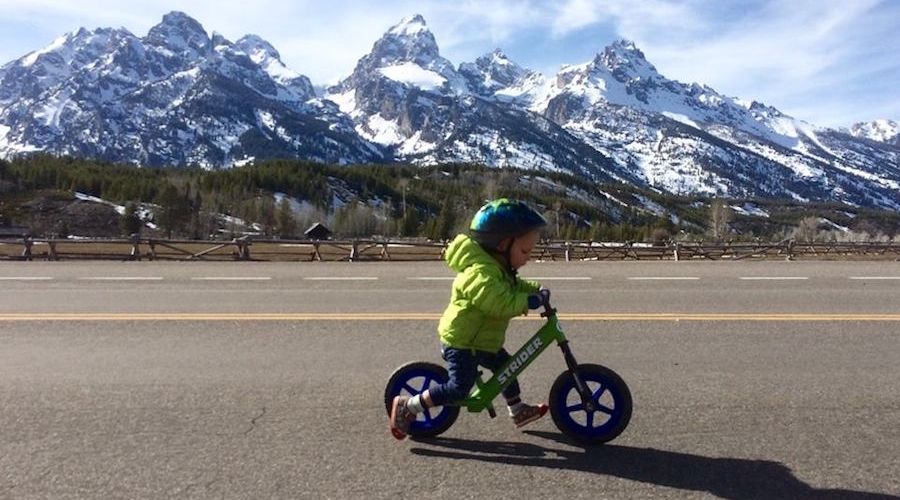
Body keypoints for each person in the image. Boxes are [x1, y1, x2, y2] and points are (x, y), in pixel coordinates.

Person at [390, 198, 551, 440]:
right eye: (524, 251)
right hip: (463, 343)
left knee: (508, 367)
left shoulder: (500, 270)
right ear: (502, 245)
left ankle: (517, 410)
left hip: (483, 341)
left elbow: (515, 286)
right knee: (458, 387)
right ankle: (409, 406)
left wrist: (534, 290)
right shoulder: (479, 273)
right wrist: (527, 302)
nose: (527, 258)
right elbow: (497, 302)